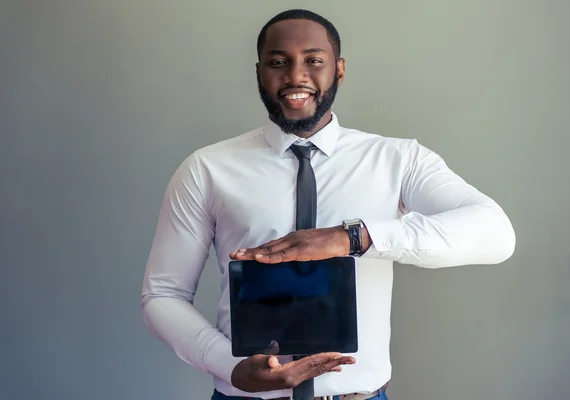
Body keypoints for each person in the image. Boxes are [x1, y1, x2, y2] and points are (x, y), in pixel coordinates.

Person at [140, 8, 516, 400]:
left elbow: (496, 233)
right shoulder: (207, 168)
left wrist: (353, 237)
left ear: (338, 69)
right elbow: (162, 295)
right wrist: (228, 365)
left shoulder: (398, 160)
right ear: (258, 72)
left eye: (313, 60)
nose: (295, 76)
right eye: (277, 62)